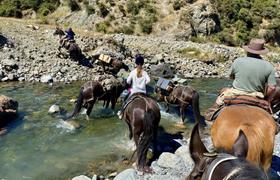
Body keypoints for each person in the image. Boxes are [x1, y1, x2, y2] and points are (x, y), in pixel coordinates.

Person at [205, 38, 277, 121]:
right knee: (271, 119)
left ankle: (209, 121)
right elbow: (272, 88)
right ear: (261, 52)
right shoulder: (268, 66)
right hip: (257, 95)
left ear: (248, 50)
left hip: (235, 93)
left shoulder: (238, 61)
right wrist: (266, 98)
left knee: (214, 108)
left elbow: (231, 77)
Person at [117, 55, 151, 119]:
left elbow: (128, 81)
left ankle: (121, 113)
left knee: (126, 101)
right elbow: (149, 80)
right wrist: (144, 84)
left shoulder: (133, 72)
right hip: (143, 92)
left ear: (136, 63)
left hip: (134, 92)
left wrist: (131, 84)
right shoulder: (145, 72)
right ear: (142, 64)